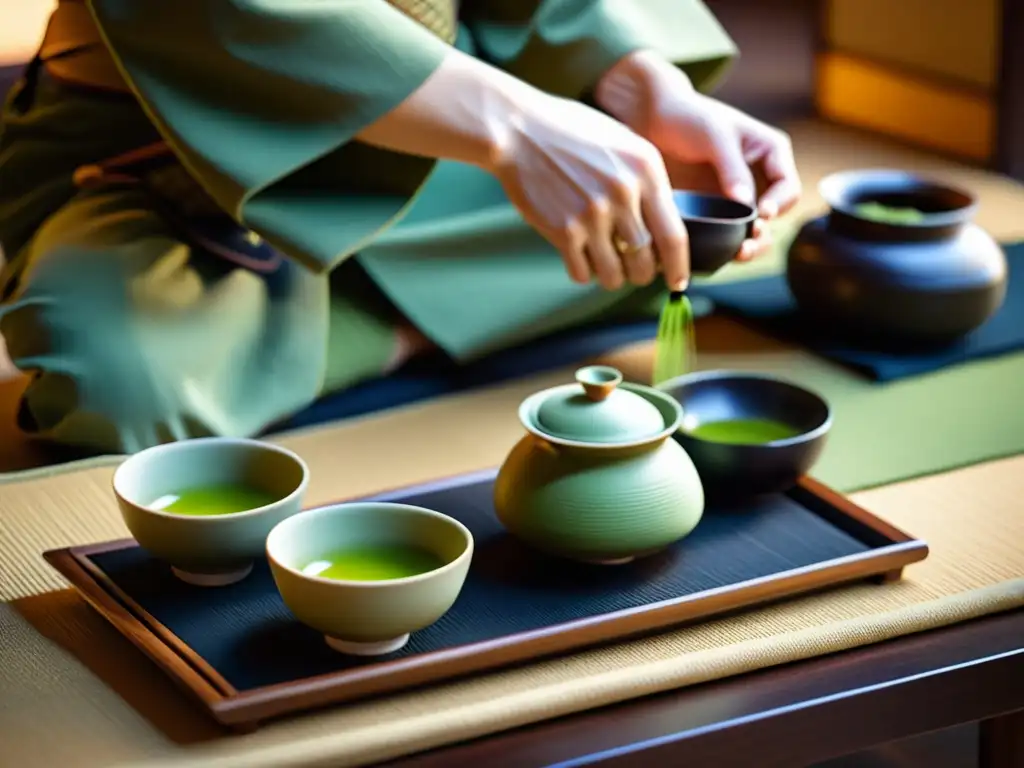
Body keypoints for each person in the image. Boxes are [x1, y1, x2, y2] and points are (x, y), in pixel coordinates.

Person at [0, 0, 800, 456]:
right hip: (188, 153)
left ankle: (306, 329)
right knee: (111, 383)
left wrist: (635, 82)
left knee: (661, 217)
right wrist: (517, 133)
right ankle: (415, 317)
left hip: (442, 124)